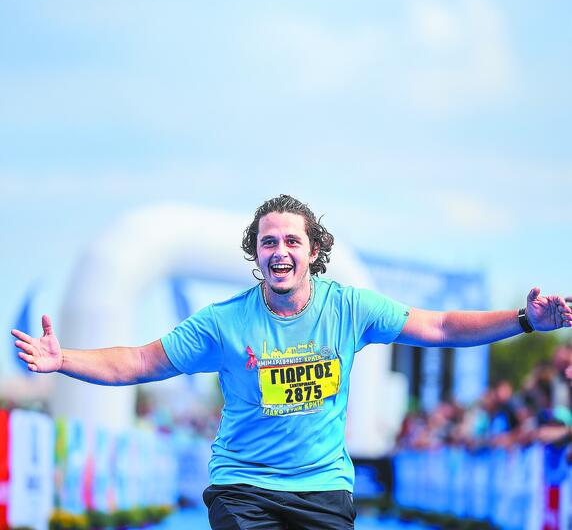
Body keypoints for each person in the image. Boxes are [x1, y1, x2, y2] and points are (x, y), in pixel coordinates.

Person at [11, 194, 572, 530]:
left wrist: (523, 321)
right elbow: (137, 361)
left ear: (313, 251)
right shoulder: (222, 322)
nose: (280, 251)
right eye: (268, 242)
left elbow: (442, 326)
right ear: (256, 254)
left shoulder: (349, 307)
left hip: (323, 486)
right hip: (243, 486)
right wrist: (64, 360)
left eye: (291, 242)